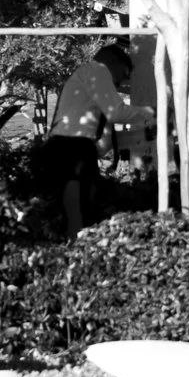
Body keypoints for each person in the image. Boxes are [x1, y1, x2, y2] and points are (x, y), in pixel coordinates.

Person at [47, 42, 150, 238]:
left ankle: (76, 239)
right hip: (73, 144)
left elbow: (105, 133)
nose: (121, 82)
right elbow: (116, 112)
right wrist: (151, 112)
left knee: (83, 199)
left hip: (72, 144)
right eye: (124, 73)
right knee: (79, 199)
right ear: (113, 62)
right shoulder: (98, 71)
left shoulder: (85, 75)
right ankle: (76, 241)